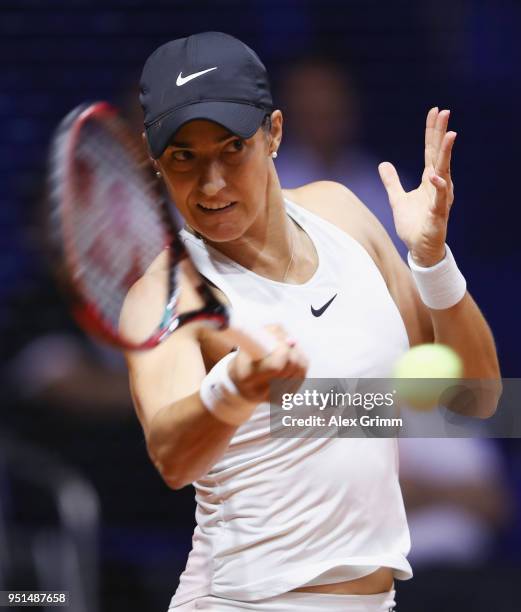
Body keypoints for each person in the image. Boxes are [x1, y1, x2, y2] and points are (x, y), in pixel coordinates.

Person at [122, 32, 501, 611]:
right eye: (184, 158)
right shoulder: (165, 292)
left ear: (273, 133)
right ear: (157, 164)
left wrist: (431, 263)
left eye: (231, 149)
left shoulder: (341, 212)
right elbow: (172, 459)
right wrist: (236, 386)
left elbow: (475, 399)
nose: (212, 183)